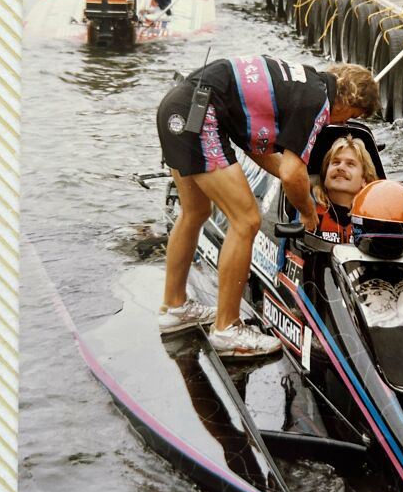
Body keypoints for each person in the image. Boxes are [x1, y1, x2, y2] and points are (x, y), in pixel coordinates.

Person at [156, 58, 380, 356]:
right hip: (200, 114)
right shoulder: (318, 102)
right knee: (246, 219)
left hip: (179, 105)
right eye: (349, 116)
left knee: (196, 212)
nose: (339, 123)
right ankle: (228, 329)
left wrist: (306, 185)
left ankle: (175, 306)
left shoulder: (299, 85)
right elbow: (290, 172)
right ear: (350, 101)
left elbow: (258, 150)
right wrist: (309, 213)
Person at [313, 135, 378, 243]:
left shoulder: (376, 217)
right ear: (325, 174)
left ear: (364, 180)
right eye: (336, 162)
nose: (340, 167)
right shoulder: (306, 208)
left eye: (350, 164)